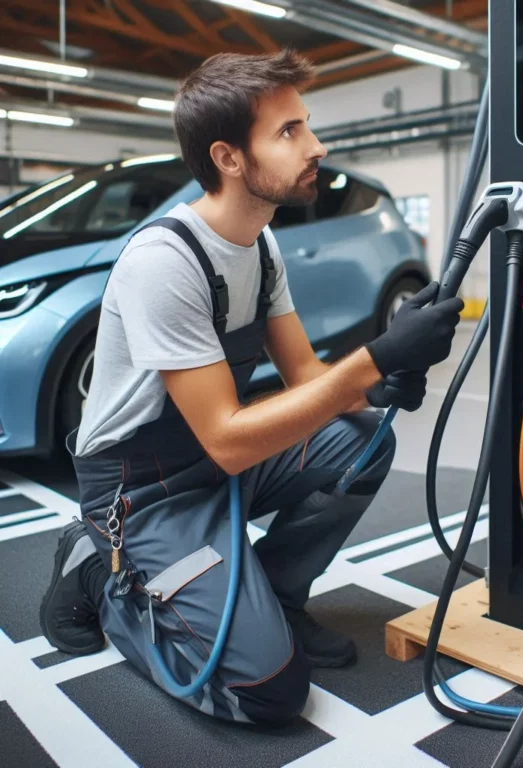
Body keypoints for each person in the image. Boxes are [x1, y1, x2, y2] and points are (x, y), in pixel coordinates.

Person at [38, 49, 464, 725]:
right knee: (265, 689)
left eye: (306, 125)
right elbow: (230, 442)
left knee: (359, 443)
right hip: (140, 489)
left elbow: (307, 383)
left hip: (208, 460)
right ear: (229, 157)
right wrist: (376, 356)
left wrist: (379, 383)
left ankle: (279, 595)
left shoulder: (261, 250)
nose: (316, 145)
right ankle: (99, 570)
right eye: (289, 131)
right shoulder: (164, 261)